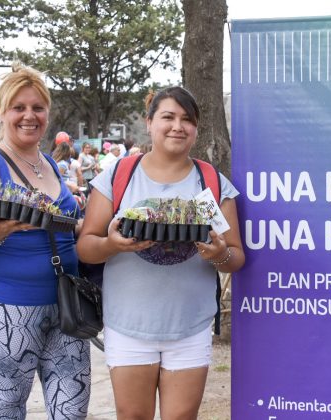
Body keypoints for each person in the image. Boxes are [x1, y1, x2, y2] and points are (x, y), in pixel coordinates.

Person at [76, 86, 245, 419]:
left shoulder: (206, 183)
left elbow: (236, 257)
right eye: (168, 117)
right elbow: (86, 248)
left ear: (196, 128)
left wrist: (218, 255)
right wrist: (111, 245)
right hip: (128, 326)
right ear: (150, 122)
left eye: (187, 119)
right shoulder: (120, 177)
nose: (177, 126)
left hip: (190, 327)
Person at [0, 63, 91, 418]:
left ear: (48, 113)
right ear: (1, 112)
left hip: (66, 308)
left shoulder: (49, 164)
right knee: (5, 411)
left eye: (37, 108)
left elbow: (62, 227)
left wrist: (91, 226)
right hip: (5, 310)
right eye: (19, 108)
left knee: (72, 410)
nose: (29, 116)